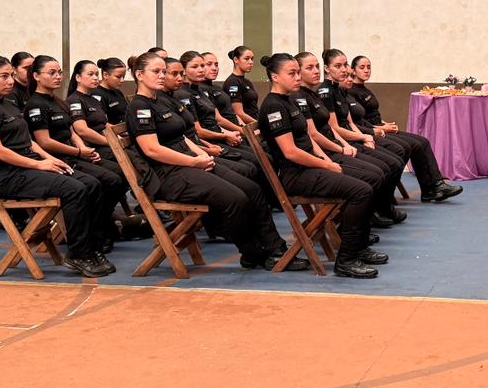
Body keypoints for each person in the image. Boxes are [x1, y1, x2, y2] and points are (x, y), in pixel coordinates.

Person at [126, 52, 301, 271]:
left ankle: (276, 249)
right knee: (235, 198)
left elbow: (181, 137)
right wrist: (193, 162)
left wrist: (201, 155)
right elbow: (152, 149)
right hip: (169, 175)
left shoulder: (160, 101)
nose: (162, 76)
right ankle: (252, 253)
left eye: (164, 71)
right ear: (139, 75)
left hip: (189, 163)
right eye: (156, 71)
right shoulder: (139, 107)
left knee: (253, 189)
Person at [0, 55, 110, 277]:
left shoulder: (8, 103)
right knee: (75, 189)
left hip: (29, 166)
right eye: (4, 77)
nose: (10, 82)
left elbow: (29, 141)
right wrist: (39, 165)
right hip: (9, 175)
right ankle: (78, 253)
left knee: (91, 184)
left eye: (11, 76)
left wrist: (49, 158)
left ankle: (91, 247)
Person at [258, 53, 385, 278]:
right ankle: (346, 260)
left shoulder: (289, 99)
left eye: (298, 72)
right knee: (361, 191)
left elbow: (308, 138)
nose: (298, 77)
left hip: (311, 168)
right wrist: (326, 166)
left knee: (370, 179)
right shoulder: (273, 107)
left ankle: (358, 247)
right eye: (292, 73)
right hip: (295, 175)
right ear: (275, 77)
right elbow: (291, 152)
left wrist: (327, 161)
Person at [322, 49, 461, 204]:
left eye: (369, 67)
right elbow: (343, 126)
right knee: (402, 150)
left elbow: (357, 121)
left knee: (421, 141)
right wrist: (373, 132)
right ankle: (386, 201)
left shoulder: (350, 91)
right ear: (328, 68)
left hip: (368, 131)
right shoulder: (335, 92)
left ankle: (434, 186)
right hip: (358, 137)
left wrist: (381, 125)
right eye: (361, 68)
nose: (366, 70)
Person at [293, 52, 405, 228]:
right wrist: (338, 152)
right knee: (375, 175)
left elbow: (333, 127)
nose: (316, 71)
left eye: (316, 67)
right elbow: (313, 135)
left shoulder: (315, 94)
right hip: (325, 154)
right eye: (309, 68)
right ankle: (356, 228)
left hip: (337, 146)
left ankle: (369, 216)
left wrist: (349, 144)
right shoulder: (306, 96)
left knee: (389, 163)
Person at [24, 56, 121, 252]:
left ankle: (100, 226)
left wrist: (82, 150)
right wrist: (79, 151)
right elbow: (45, 142)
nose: (58, 76)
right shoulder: (36, 104)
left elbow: (71, 131)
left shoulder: (57, 101)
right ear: (36, 76)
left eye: (59, 72)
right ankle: (94, 235)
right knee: (102, 182)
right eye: (52, 73)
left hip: (74, 155)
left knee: (118, 176)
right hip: (57, 160)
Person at [223, 45, 260, 125]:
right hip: (248, 127)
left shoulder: (247, 81)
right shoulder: (232, 82)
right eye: (246, 59)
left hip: (256, 122)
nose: (251, 62)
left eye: (252, 59)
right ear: (236, 60)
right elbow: (239, 113)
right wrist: (259, 124)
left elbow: (253, 108)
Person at [96, 58, 130, 126]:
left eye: (123, 76)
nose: (122, 80)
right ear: (105, 75)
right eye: (118, 77)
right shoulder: (97, 94)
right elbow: (102, 123)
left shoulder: (118, 92)